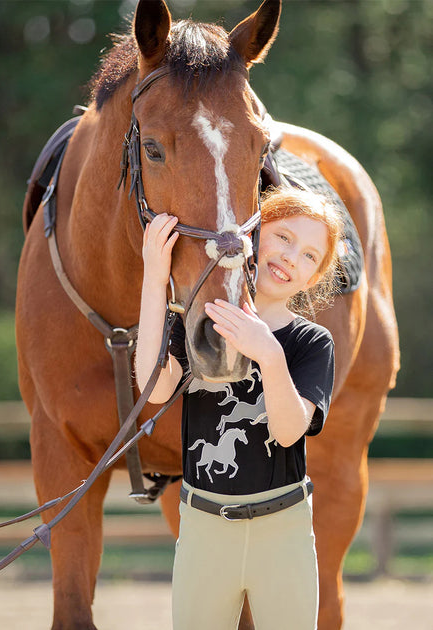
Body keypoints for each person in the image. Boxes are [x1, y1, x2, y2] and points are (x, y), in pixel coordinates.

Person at [136, 188, 343, 630]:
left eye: (309, 256)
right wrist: (155, 280)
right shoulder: (200, 321)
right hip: (204, 528)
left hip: (282, 529)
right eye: (283, 237)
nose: (291, 258)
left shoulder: (311, 344)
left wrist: (268, 354)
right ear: (254, 233)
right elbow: (154, 388)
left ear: (313, 278)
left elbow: (289, 432)